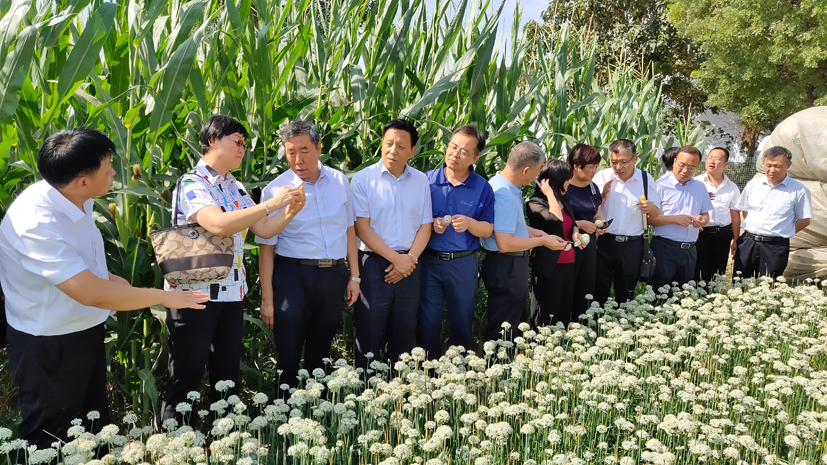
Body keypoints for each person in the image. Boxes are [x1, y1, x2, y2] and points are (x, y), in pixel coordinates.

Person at [0, 128, 208, 455]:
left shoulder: (72, 196)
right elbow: (90, 293)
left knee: (93, 428)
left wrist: (112, 279)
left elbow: (79, 263)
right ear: (83, 181)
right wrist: (164, 296)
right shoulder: (37, 222)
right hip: (50, 345)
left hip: (84, 330)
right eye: (108, 169)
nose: (114, 174)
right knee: (47, 438)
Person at [161, 115, 306, 421]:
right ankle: (176, 438)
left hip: (231, 293)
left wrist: (290, 211)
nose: (242, 149)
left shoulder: (235, 186)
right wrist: (270, 204)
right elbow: (217, 223)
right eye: (237, 142)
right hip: (193, 295)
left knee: (226, 376)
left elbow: (262, 229)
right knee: (186, 375)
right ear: (212, 140)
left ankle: (224, 436)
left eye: (244, 144)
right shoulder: (192, 182)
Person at [256, 121, 360, 390]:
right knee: (288, 355)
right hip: (292, 277)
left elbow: (349, 229)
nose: (298, 160)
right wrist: (267, 299)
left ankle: (318, 408)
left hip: (333, 275)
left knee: (321, 352)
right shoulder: (275, 191)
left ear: (319, 148)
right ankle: (284, 410)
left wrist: (354, 276)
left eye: (304, 151)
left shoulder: (339, 181)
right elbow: (266, 248)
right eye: (290, 152)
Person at [351, 119, 432, 370]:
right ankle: (366, 388)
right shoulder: (363, 179)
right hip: (373, 265)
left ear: (412, 151)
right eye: (388, 144)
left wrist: (409, 260)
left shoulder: (421, 181)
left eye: (401, 146)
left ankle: (399, 388)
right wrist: (397, 260)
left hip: (411, 264)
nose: (392, 151)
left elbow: (425, 225)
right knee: (370, 330)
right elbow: (362, 228)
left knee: (404, 332)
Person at [419, 125, 494, 359]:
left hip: (463, 263)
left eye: (464, 151)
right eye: (453, 147)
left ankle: (461, 368)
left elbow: (488, 229)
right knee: (428, 320)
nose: (455, 154)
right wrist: (432, 223)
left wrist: (470, 224)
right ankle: (428, 368)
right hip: (429, 261)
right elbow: (412, 220)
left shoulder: (482, 187)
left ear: (475, 158)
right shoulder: (426, 181)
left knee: (462, 318)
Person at [480, 142, 567, 342]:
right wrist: (543, 241)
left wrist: (531, 231)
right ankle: (498, 359)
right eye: (538, 170)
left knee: (510, 319)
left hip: (505, 264)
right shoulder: (505, 195)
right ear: (526, 169)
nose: (537, 177)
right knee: (504, 324)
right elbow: (505, 243)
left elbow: (506, 225)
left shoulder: (502, 184)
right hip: (507, 264)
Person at [592, 139, 661, 305]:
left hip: (632, 245)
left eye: (623, 162)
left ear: (635, 159)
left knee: (626, 291)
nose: (618, 167)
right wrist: (601, 198)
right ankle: (596, 320)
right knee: (598, 290)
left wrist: (649, 207)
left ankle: (622, 319)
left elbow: (656, 213)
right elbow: (590, 207)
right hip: (604, 242)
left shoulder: (645, 179)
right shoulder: (602, 177)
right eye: (613, 162)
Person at [733, 146, 812, 279]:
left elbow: (804, 220)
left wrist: (783, 230)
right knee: (740, 282)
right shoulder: (754, 184)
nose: (772, 170)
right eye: (768, 165)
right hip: (748, 242)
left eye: (777, 166)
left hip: (775, 247)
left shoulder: (799, 190)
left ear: (788, 165)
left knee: (769, 284)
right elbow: (744, 210)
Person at [527, 159, 582, 328]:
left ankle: (561, 340)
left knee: (564, 308)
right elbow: (555, 220)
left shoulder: (563, 200)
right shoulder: (535, 203)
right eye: (567, 180)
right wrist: (550, 194)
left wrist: (575, 231)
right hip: (549, 264)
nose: (569, 184)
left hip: (569, 262)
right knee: (546, 309)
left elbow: (570, 222)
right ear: (557, 180)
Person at [648, 146, 713, 291]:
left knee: (682, 295)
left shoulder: (699, 187)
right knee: (659, 293)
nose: (685, 170)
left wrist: (702, 221)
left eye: (691, 167)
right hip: (664, 248)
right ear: (674, 161)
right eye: (682, 165)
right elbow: (648, 219)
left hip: (690, 250)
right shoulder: (659, 186)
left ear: (698, 166)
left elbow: (705, 214)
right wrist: (675, 219)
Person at [564, 143, 605, 319]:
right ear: (576, 165)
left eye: (596, 167)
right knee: (567, 291)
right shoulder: (563, 186)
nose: (594, 171)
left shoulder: (593, 187)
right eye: (591, 167)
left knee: (585, 291)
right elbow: (555, 218)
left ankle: (581, 326)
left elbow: (596, 214)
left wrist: (599, 225)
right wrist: (579, 224)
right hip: (568, 247)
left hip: (589, 248)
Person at [694, 147, 741, 281]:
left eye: (717, 159)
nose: (712, 161)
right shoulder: (696, 183)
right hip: (700, 234)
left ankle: (714, 292)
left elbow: (735, 215)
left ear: (725, 164)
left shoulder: (732, 187)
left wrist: (735, 240)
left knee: (718, 272)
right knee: (698, 272)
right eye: (710, 158)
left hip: (722, 235)